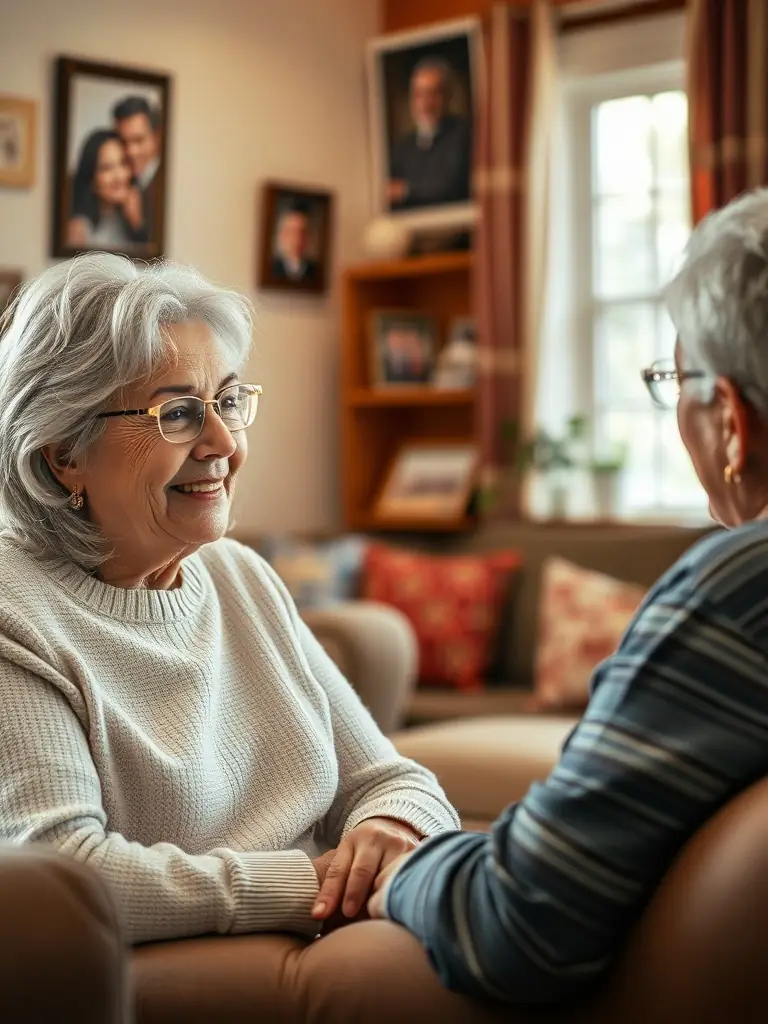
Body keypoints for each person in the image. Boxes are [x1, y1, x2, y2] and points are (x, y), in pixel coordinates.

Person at [366, 187, 768, 1004]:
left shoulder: (733, 593)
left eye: (674, 380)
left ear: (729, 419)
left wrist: (406, 869)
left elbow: (515, 928)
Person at [0, 253, 459, 946]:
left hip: (329, 922)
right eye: (179, 413)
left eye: (230, 401)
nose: (222, 442)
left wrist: (390, 829)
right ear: (65, 454)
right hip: (196, 962)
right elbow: (68, 873)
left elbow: (391, 779)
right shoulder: (15, 610)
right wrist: (314, 885)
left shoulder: (238, 575)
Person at [387, 56, 472, 212]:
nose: (425, 103)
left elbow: (449, 185)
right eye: (419, 94)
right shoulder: (402, 147)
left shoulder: (462, 135)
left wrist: (405, 190)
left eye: (432, 93)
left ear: (447, 97)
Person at [67, 130, 146, 249]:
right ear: (92, 179)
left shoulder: (138, 215)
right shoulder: (80, 228)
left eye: (123, 163)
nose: (119, 176)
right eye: (107, 168)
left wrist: (137, 223)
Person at [113, 96, 162, 241]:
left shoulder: (167, 182)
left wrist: (138, 223)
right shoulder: (120, 178)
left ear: (156, 137)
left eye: (138, 140)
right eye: (123, 141)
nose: (130, 151)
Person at [270, 202, 319, 283]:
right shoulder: (271, 268)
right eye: (292, 232)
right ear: (282, 235)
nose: (297, 238)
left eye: (302, 232)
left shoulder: (317, 270)